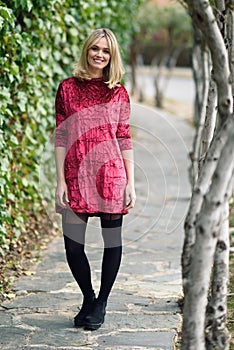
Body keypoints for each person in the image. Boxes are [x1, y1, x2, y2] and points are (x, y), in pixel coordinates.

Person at [54, 28, 136, 331]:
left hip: (110, 176)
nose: (100, 55)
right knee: (73, 246)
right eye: (95, 49)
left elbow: (124, 137)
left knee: (112, 241)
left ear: (112, 56)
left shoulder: (118, 92)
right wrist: (60, 180)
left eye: (106, 51)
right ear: (86, 50)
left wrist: (130, 182)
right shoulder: (66, 89)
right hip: (75, 174)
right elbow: (61, 135)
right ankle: (89, 297)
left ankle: (101, 303)